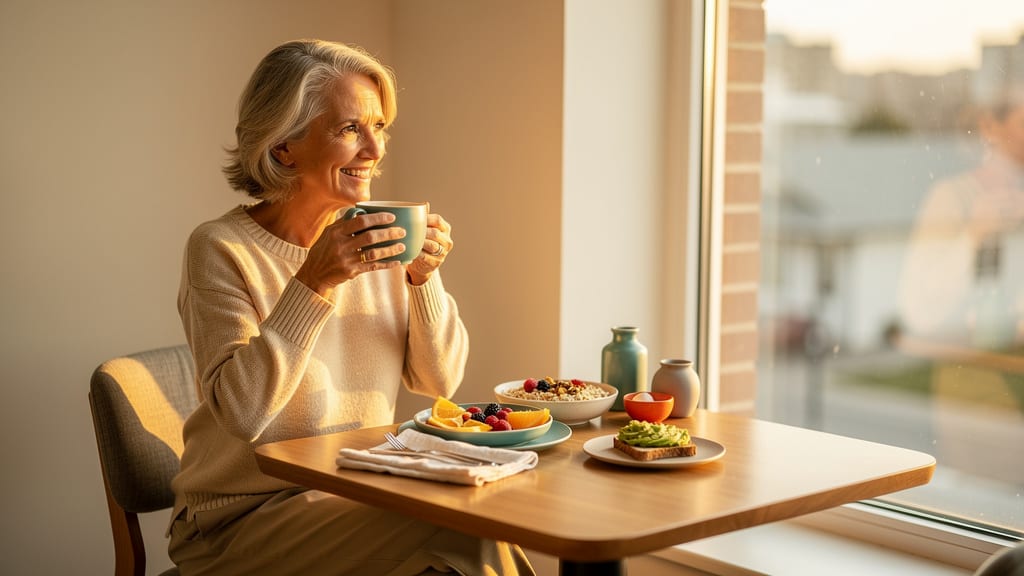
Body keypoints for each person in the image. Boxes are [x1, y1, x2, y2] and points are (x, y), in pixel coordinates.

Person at [167, 39, 535, 576]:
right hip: (238, 519)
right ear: (283, 146)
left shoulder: (377, 239)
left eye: (378, 126)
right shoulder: (221, 249)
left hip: (357, 495)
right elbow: (244, 416)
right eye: (349, 129)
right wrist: (313, 282)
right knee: (464, 532)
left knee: (481, 524)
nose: (376, 149)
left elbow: (439, 381)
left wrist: (421, 280)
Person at [900, 83, 1024, 350]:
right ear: (990, 127)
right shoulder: (952, 197)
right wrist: (974, 235)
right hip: (968, 365)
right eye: (1023, 123)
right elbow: (919, 307)